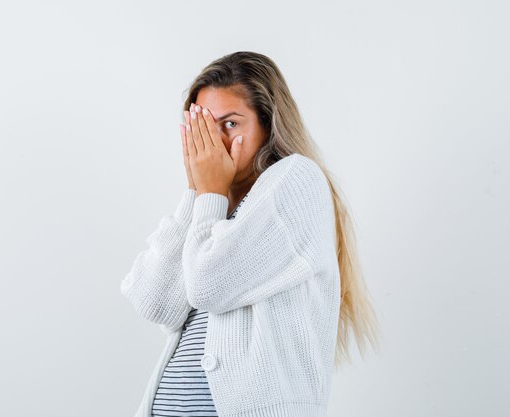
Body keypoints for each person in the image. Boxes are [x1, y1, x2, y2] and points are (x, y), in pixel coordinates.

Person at [120, 51, 381, 417]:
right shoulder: (211, 211)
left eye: (229, 125)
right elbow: (156, 303)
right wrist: (197, 193)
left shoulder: (296, 180)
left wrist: (209, 192)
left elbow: (209, 286)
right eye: (204, 127)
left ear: (268, 125)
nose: (214, 143)